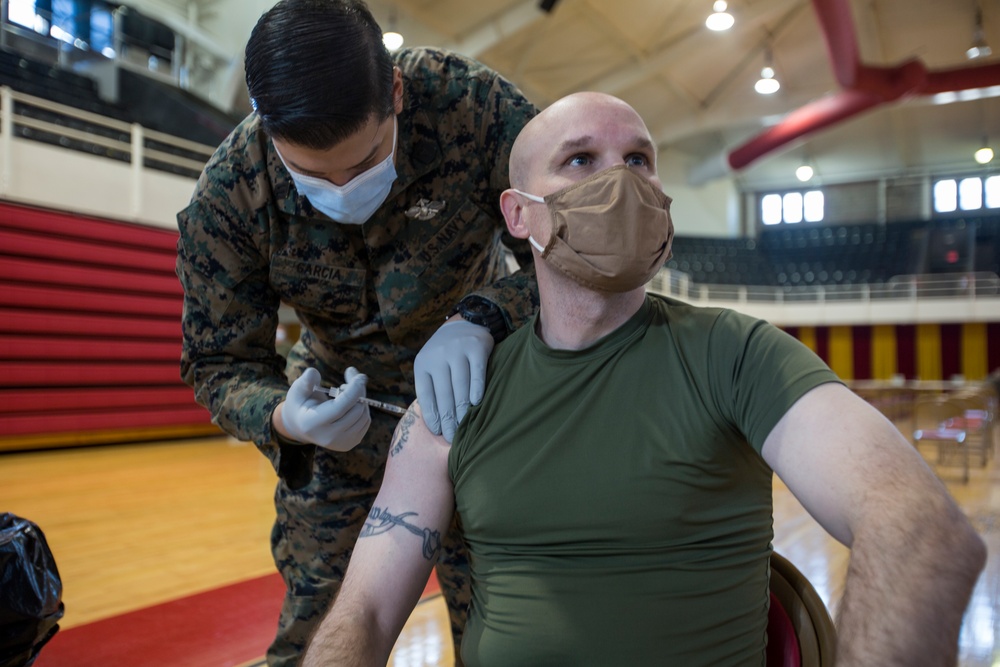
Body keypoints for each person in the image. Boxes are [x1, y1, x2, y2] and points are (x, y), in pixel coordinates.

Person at [301, 92, 987, 666]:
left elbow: (920, 527)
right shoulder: (460, 394)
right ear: (519, 215)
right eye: (581, 160)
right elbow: (362, 608)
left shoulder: (734, 352)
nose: (621, 180)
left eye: (639, 159)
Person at [174, 0, 538, 664]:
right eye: (313, 175)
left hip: (482, 408)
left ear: (395, 92)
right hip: (342, 420)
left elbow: (567, 251)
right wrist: (286, 416)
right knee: (320, 634)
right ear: (269, 129)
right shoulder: (231, 194)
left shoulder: (473, 108)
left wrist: (488, 315)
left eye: (365, 159)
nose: (343, 187)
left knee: (506, 632)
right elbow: (217, 361)